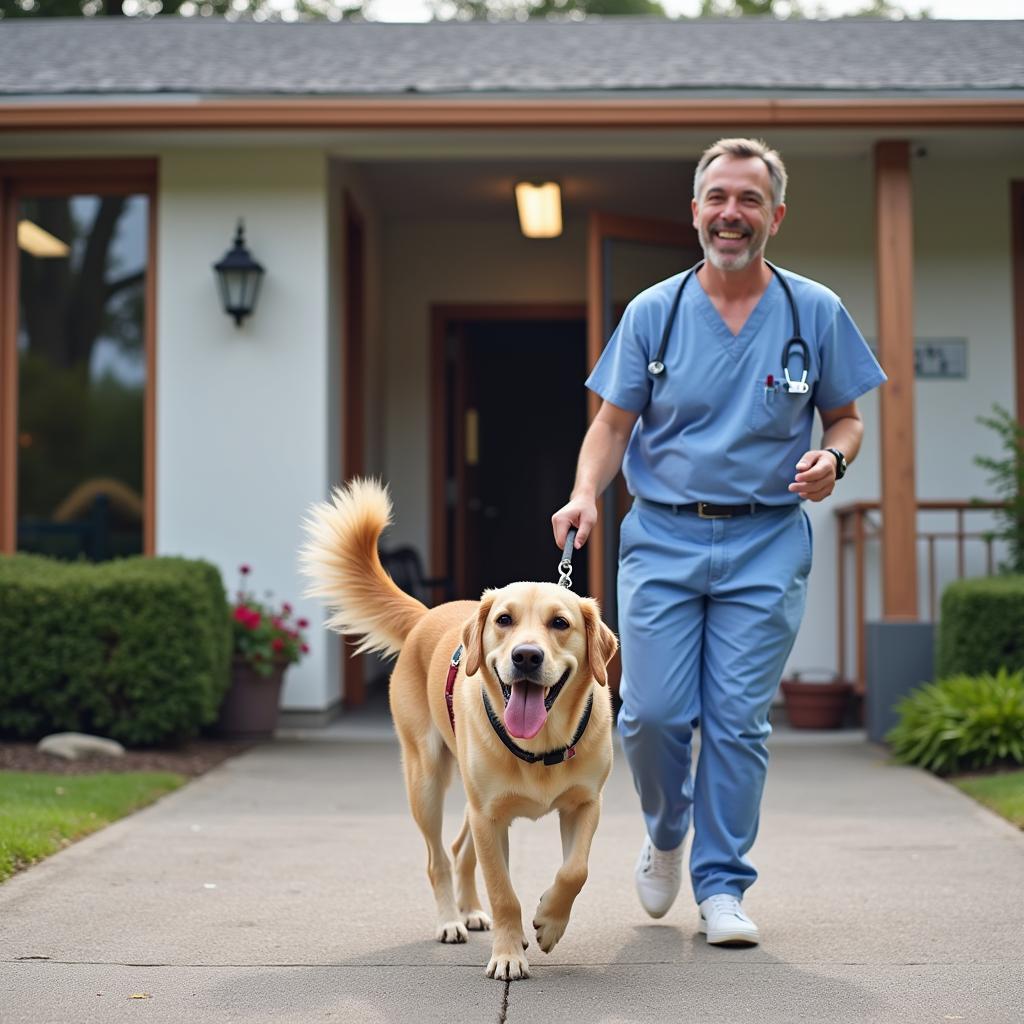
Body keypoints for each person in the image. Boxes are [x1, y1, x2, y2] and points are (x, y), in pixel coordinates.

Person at [551, 138, 886, 946]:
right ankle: (668, 834)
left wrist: (833, 457)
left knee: (737, 720)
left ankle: (724, 886)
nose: (730, 214)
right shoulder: (654, 312)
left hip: (766, 539)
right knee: (654, 714)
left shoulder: (815, 311)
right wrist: (584, 494)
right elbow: (611, 423)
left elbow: (848, 416)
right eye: (716, 198)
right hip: (663, 536)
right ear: (695, 210)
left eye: (747, 199)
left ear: (775, 215)